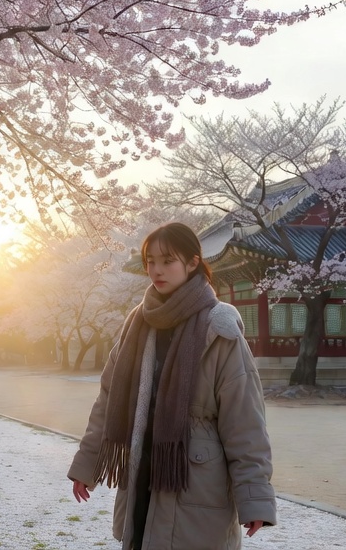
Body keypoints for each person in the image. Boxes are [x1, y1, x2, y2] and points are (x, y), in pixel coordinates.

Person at [68, 222, 276, 549]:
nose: (157, 270)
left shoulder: (218, 327)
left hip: (195, 481)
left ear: (193, 262)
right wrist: (87, 465)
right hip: (142, 477)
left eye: (168, 261)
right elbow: (108, 400)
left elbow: (245, 420)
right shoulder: (137, 324)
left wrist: (254, 497)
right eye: (151, 261)